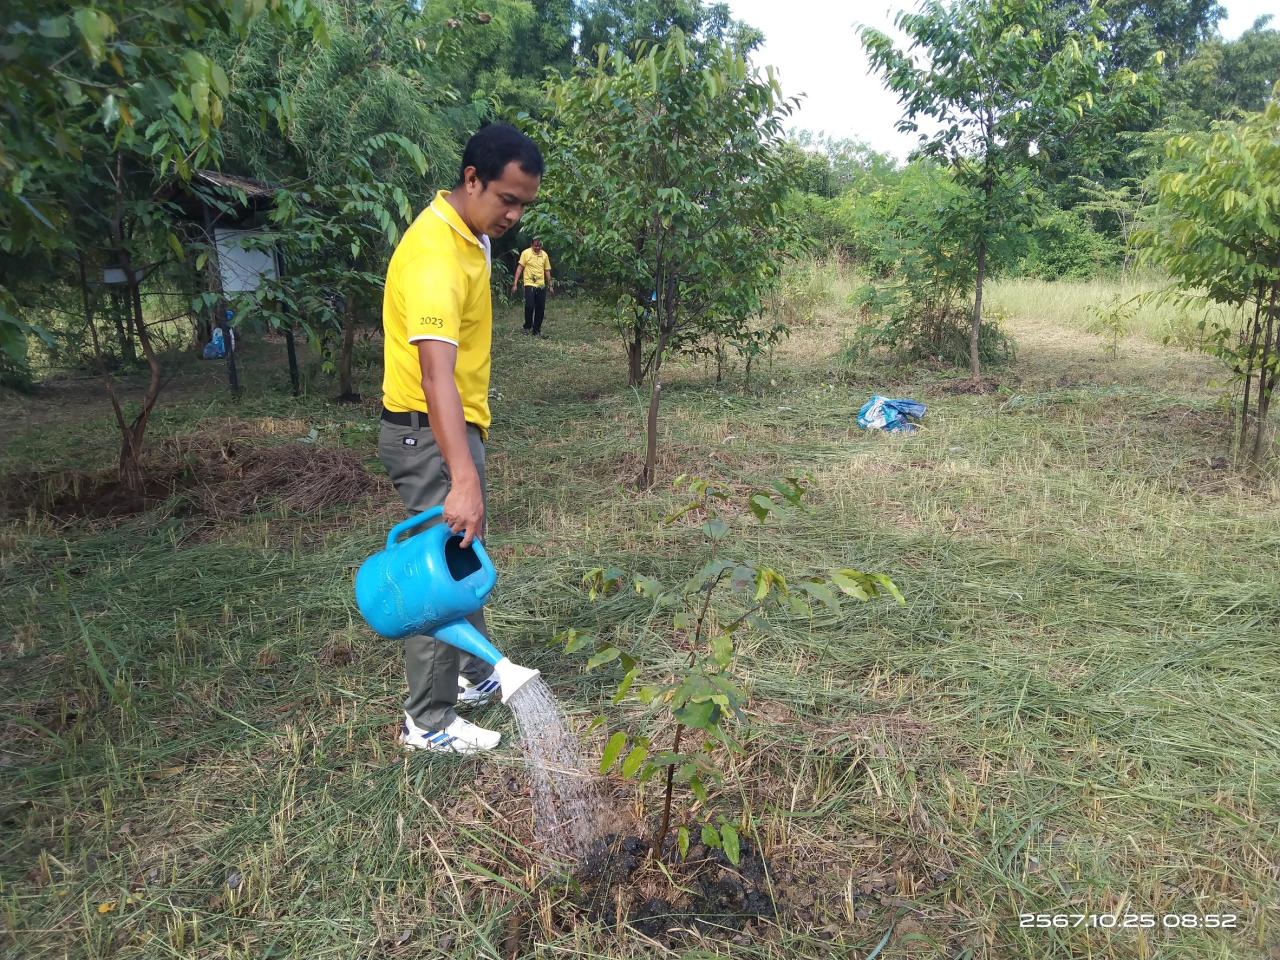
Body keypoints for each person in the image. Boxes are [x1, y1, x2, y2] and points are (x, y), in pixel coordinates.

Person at [378, 124, 543, 754]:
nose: (514, 214)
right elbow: (434, 373)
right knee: (434, 579)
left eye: (524, 203)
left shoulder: (469, 234)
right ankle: (428, 722)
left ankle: (474, 678)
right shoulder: (434, 256)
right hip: (427, 434)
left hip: (449, 430)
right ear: (471, 179)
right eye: (506, 198)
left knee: (461, 555)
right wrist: (464, 477)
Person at [511, 237, 553, 335]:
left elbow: (547, 271)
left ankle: (536, 330)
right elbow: (520, 268)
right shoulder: (526, 253)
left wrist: (550, 285)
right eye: (535, 246)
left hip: (541, 285)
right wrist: (515, 284)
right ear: (531, 245)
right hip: (529, 284)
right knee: (529, 306)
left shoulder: (544, 255)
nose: (537, 247)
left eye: (539, 246)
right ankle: (527, 326)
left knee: (540, 308)